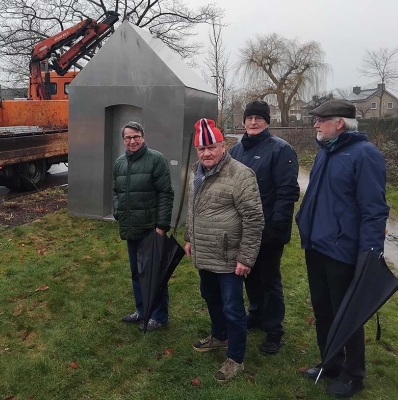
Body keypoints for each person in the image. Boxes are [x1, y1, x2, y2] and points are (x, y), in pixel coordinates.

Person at [296, 99, 390, 398]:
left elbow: (374, 209)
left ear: (339, 122)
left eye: (321, 119)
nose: (315, 124)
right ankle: (331, 362)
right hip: (317, 247)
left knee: (346, 314)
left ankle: (353, 374)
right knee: (323, 310)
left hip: (343, 251)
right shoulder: (326, 152)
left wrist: (370, 254)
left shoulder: (365, 155)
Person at [185, 118, 264, 382]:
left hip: (229, 256)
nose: (206, 153)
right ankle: (219, 336)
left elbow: (254, 219)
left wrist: (246, 257)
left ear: (222, 146)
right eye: (201, 148)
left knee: (233, 308)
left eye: (211, 147)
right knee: (210, 296)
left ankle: (236, 358)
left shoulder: (241, 174)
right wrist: (189, 238)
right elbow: (192, 209)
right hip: (204, 251)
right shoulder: (197, 171)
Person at [229, 100, 300, 354]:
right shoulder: (236, 150)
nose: (253, 122)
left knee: (270, 279)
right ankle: (256, 314)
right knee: (249, 274)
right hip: (243, 228)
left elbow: (287, 192)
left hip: (269, 229)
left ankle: (274, 330)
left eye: (259, 118)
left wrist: (276, 228)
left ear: (267, 121)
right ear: (244, 121)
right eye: (249, 118)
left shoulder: (281, 150)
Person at [113, 121, 174, 332]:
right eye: (128, 137)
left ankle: (159, 316)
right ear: (124, 140)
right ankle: (142, 310)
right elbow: (116, 192)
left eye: (136, 136)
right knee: (136, 273)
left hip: (151, 228)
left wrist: (161, 226)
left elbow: (166, 194)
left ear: (143, 137)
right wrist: (117, 211)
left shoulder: (156, 160)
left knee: (154, 274)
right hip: (132, 228)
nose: (132, 141)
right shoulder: (120, 163)